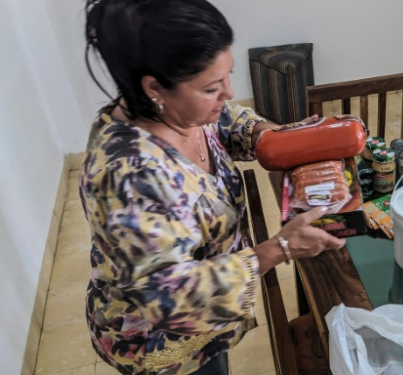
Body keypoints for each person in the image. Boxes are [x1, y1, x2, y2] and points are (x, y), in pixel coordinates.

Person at [81, 1, 345, 374]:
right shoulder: (130, 175)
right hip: (160, 339)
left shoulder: (172, 109)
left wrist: (273, 137)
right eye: (211, 87)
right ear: (155, 87)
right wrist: (280, 248)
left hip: (210, 316)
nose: (228, 92)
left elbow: (225, 120)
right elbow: (172, 298)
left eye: (227, 76)